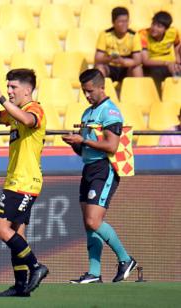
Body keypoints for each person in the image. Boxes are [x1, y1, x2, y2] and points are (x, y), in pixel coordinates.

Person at [0, 69, 48, 297]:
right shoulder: (15, 112)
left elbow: (27, 120)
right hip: (17, 180)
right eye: (8, 87)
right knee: (16, 233)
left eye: (13, 87)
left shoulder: (34, 109)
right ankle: (21, 286)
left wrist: (1, 98)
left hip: (24, 182)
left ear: (27, 90)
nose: (9, 91)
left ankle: (35, 266)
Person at [62, 69, 137, 284]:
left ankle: (125, 259)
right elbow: (86, 148)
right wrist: (76, 144)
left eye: (89, 91)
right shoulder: (87, 113)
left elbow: (111, 146)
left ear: (101, 87)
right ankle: (94, 273)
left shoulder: (110, 112)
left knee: (94, 220)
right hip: (88, 168)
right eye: (84, 91)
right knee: (89, 223)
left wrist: (83, 141)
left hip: (104, 169)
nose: (86, 95)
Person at [95, 7, 143, 82]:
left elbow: (138, 60)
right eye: (121, 21)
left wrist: (122, 61)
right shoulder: (105, 34)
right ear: (113, 22)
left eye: (126, 21)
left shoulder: (133, 35)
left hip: (126, 68)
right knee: (99, 68)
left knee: (137, 68)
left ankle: (138, 92)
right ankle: (99, 92)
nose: (125, 24)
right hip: (109, 67)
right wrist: (110, 59)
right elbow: (98, 58)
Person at [139, 11, 181, 92]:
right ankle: (156, 98)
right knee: (156, 72)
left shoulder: (173, 32)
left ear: (166, 29)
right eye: (153, 24)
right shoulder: (143, 34)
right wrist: (167, 63)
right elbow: (145, 61)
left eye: (159, 26)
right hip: (152, 65)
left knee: (178, 71)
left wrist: (177, 62)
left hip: (170, 64)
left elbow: (177, 45)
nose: (154, 28)